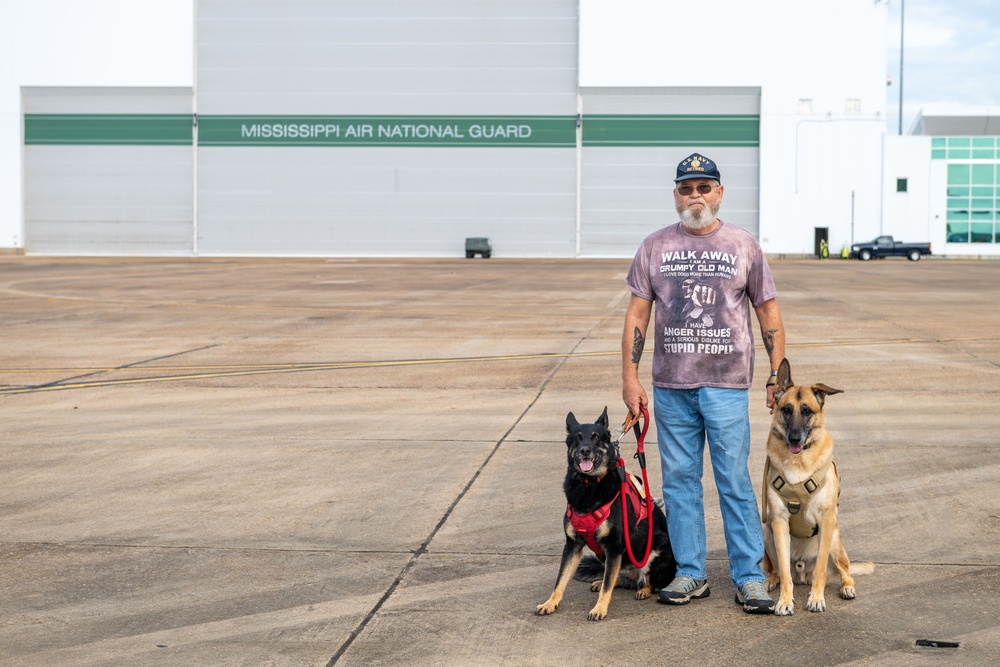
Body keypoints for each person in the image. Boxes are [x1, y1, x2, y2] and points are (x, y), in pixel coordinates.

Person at [621, 153, 785, 614]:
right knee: (678, 483)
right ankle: (690, 573)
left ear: (719, 192)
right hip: (670, 387)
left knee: (733, 480)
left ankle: (750, 577)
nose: (695, 196)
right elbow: (637, 312)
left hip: (727, 386)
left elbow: (767, 311)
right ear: (676, 194)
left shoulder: (742, 244)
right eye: (686, 188)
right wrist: (629, 377)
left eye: (704, 187)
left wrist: (777, 373)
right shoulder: (654, 247)